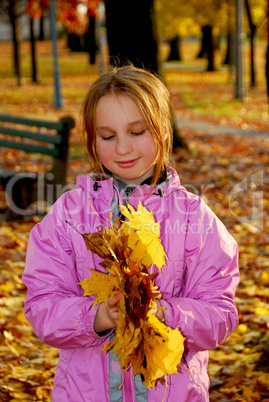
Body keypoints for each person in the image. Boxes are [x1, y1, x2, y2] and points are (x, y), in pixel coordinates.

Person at [23, 65, 239, 402]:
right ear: (93, 139)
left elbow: (220, 314)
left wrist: (166, 313)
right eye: (108, 136)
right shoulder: (69, 215)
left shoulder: (196, 219)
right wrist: (96, 316)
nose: (122, 148)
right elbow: (42, 306)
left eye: (137, 132)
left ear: (164, 130)